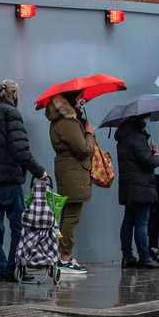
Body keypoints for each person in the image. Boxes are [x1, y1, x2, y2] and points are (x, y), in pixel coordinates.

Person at [0, 79, 46, 281]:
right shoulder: (11, 113)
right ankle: (12, 268)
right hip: (9, 180)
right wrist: (39, 171)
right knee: (18, 226)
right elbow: (20, 150)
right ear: (14, 94)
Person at [46, 92, 93, 274]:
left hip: (68, 172)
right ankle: (64, 258)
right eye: (80, 99)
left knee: (67, 215)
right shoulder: (67, 122)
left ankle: (61, 256)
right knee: (72, 216)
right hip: (74, 173)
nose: (82, 101)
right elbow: (83, 149)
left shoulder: (61, 120)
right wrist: (89, 133)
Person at [116, 114, 159, 268]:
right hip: (141, 187)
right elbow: (147, 162)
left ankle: (127, 256)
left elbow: (135, 160)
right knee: (142, 223)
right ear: (140, 121)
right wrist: (157, 156)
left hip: (129, 187)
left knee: (128, 221)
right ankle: (144, 257)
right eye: (146, 119)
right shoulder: (137, 138)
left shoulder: (123, 138)